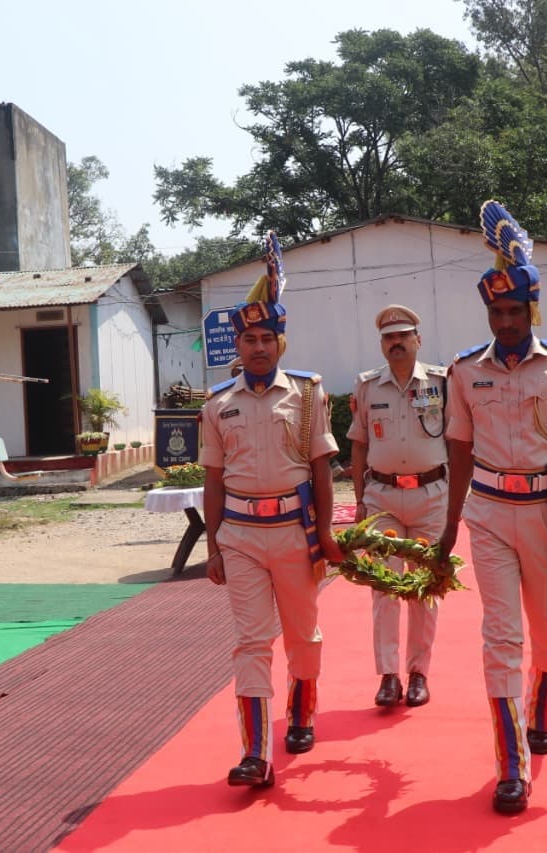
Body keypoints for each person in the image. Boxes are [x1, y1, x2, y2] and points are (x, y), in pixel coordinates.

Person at [437, 201, 547, 815]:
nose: (505, 321)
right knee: (500, 636)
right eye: (496, 311)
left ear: (531, 310)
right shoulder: (463, 371)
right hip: (487, 513)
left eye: (514, 311)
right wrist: (449, 525)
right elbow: (458, 453)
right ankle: (511, 765)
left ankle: (542, 709)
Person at [200, 232, 344, 789]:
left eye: (266, 338)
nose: (257, 347)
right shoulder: (218, 405)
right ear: (236, 345)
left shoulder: (308, 396)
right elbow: (213, 480)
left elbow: (321, 469)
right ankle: (255, 753)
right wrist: (213, 544)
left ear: (280, 342)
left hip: (294, 533)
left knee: (303, 636)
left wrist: (326, 531)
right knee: (251, 640)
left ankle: (303, 712)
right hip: (239, 534)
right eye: (248, 339)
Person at [347, 304, 448, 708]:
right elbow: (359, 444)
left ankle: (419, 672)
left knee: (426, 588)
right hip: (382, 498)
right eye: (389, 338)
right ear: (382, 344)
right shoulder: (368, 386)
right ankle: (388, 675)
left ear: (417, 340)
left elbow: (459, 439)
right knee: (385, 588)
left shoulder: (442, 382)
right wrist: (358, 501)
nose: (396, 343)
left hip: (431, 496)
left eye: (403, 336)